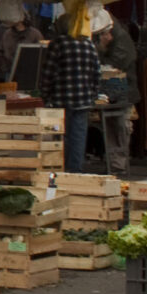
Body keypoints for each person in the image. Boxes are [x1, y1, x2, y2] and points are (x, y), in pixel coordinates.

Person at [38, 10, 105, 173]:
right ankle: (75, 170)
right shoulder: (88, 44)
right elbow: (97, 73)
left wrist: (45, 95)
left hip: (61, 100)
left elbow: (48, 73)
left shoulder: (58, 44)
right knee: (78, 137)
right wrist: (93, 95)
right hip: (83, 101)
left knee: (60, 137)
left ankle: (58, 170)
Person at [97, 13, 139, 173]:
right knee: (112, 126)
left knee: (121, 126)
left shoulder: (121, 40)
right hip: (115, 90)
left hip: (124, 90)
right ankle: (115, 163)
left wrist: (101, 49)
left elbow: (117, 65)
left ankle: (119, 164)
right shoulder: (117, 38)